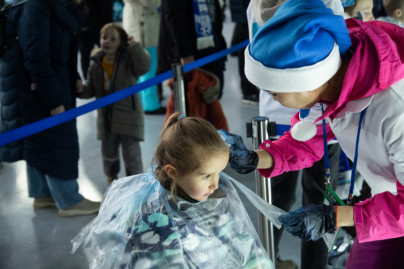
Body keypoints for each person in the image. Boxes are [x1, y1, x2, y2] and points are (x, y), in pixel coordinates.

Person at [221, 0, 404, 268]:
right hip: (385, 203)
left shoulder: (395, 108)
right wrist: (255, 158)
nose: (273, 98)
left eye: (275, 93)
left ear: (309, 82)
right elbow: (306, 139)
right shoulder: (337, 83)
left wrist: (335, 217)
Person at [71, 112, 288, 268]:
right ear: (172, 172)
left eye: (219, 173)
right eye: (205, 176)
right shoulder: (155, 225)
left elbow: (243, 247)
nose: (215, 184)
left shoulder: (217, 198)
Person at [0, 0, 100, 217]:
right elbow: (35, 56)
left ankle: (43, 194)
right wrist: (54, 100)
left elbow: (60, 47)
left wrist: (73, 77)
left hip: (45, 82)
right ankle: (69, 199)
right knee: (56, 139)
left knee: (39, 141)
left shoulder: (57, 5)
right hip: (37, 86)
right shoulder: (37, 5)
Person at [78, 23, 151, 184]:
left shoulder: (128, 59)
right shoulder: (96, 62)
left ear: (122, 42)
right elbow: (91, 89)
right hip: (106, 120)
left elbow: (145, 66)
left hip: (129, 117)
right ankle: (112, 178)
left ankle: (136, 182)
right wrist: (81, 89)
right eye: (104, 37)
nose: (107, 42)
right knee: (108, 153)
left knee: (131, 153)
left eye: (113, 39)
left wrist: (135, 47)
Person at [157, 0, 227, 99]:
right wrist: (185, 54)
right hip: (191, 49)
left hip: (212, 41)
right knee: (194, 98)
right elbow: (175, 17)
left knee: (213, 92)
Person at [122, 0, 166, 115]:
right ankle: (150, 105)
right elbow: (150, 2)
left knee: (142, 70)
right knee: (148, 69)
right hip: (144, 29)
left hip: (137, 27)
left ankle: (143, 102)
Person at [229, 0, 260, 105]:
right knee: (245, 50)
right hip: (246, 12)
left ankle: (249, 89)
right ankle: (248, 91)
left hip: (246, 11)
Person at [74, 0, 114, 79]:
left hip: (99, 23)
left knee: (107, 53)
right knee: (85, 55)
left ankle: (109, 79)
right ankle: (88, 81)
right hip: (86, 24)